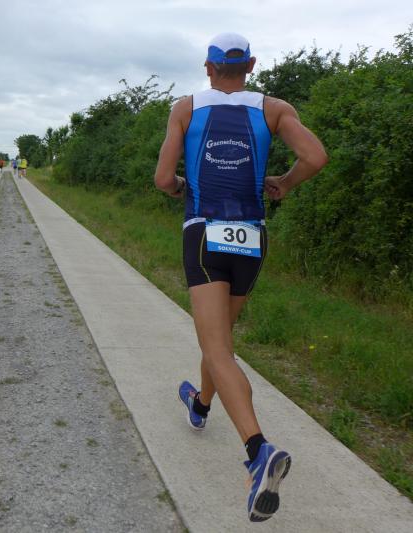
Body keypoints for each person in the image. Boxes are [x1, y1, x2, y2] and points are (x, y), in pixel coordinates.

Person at [154, 33, 327, 522]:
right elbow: (315, 157)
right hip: (252, 236)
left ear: (208, 68)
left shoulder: (185, 108)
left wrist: (183, 187)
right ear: (250, 65)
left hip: (204, 232)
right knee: (221, 342)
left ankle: (257, 451)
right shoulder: (275, 108)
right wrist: (284, 184)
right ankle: (200, 404)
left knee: (217, 349)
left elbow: (163, 180)